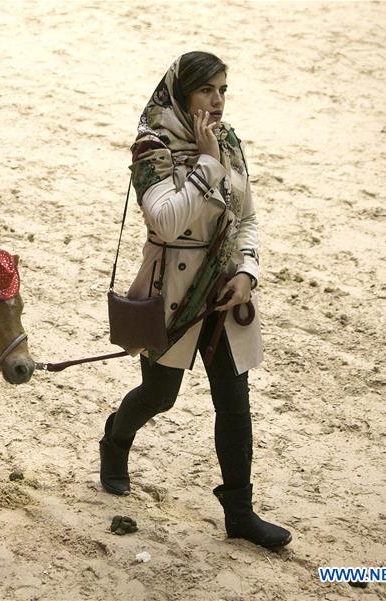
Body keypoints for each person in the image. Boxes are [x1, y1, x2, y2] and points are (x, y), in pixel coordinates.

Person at [99, 51, 292, 549]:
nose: (218, 101)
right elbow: (164, 220)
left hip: (225, 292)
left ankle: (240, 512)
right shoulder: (152, 146)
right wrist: (206, 164)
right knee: (159, 396)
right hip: (175, 299)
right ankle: (115, 439)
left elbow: (247, 216)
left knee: (235, 403)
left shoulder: (229, 141)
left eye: (224, 90)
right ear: (183, 94)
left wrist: (248, 271)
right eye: (208, 90)